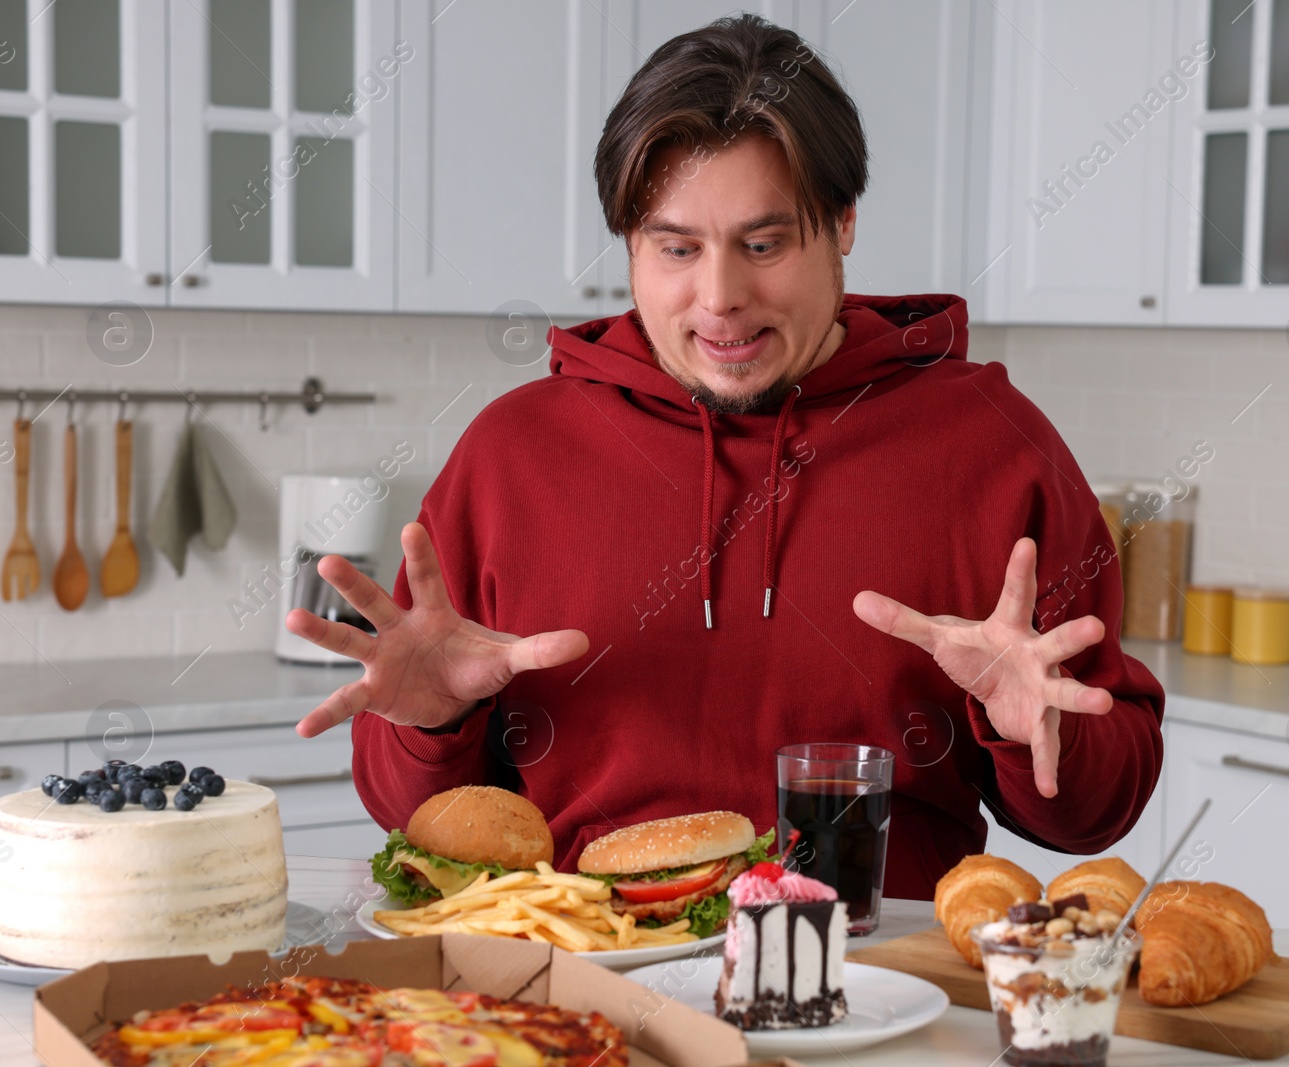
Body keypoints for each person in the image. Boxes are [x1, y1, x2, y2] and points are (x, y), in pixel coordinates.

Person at [286, 14, 1164, 901]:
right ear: (630, 243)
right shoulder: (512, 455)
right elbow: (410, 811)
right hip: (587, 982)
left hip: (886, 990)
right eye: (677, 248)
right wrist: (436, 725)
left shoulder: (990, 445)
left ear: (845, 222)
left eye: (763, 244)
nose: (720, 299)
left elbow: (1095, 811)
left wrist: (1034, 733)